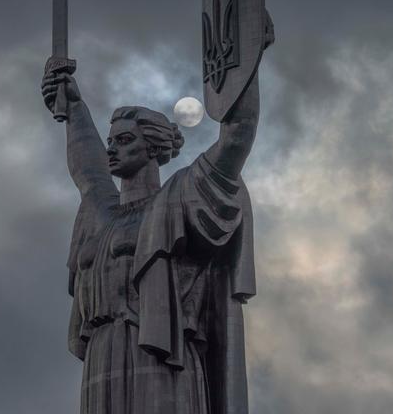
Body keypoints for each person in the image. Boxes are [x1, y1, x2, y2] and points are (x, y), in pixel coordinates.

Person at [41, 63, 260, 414]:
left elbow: (237, 136)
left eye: (125, 141)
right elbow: (87, 168)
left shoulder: (179, 199)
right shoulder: (101, 212)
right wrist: (72, 105)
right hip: (103, 352)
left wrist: (246, 56)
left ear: (153, 148)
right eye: (111, 142)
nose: (112, 149)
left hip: (162, 351)